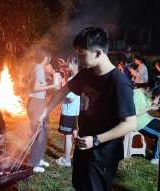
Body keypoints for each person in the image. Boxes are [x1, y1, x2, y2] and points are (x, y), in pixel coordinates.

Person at [40, 27, 136, 190]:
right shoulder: (87, 74)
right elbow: (64, 90)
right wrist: (44, 112)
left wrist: (96, 139)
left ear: (99, 53)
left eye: (82, 54)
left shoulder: (118, 82)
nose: (78, 58)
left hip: (102, 154)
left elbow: (130, 123)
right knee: (80, 186)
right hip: (83, 146)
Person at [27, 48, 60, 173]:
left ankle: (38, 158)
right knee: (38, 134)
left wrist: (49, 81)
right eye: (49, 58)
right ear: (45, 58)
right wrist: (53, 85)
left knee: (43, 130)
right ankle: (33, 163)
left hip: (37, 101)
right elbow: (36, 87)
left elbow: (38, 84)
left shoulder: (36, 67)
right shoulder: (39, 68)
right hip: (36, 103)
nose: (49, 61)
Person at [55, 60, 80, 167]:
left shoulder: (74, 79)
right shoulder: (77, 77)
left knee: (68, 136)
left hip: (69, 112)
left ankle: (66, 160)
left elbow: (70, 98)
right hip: (75, 112)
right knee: (74, 134)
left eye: (68, 63)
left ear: (74, 65)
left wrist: (60, 88)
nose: (66, 65)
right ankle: (72, 156)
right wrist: (65, 74)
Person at [133, 81, 160, 165]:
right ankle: (156, 158)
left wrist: (154, 102)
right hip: (139, 123)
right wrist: (149, 107)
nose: (153, 96)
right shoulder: (137, 94)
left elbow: (148, 107)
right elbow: (134, 113)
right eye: (153, 93)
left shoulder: (146, 94)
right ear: (148, 88)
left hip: (147, 119)